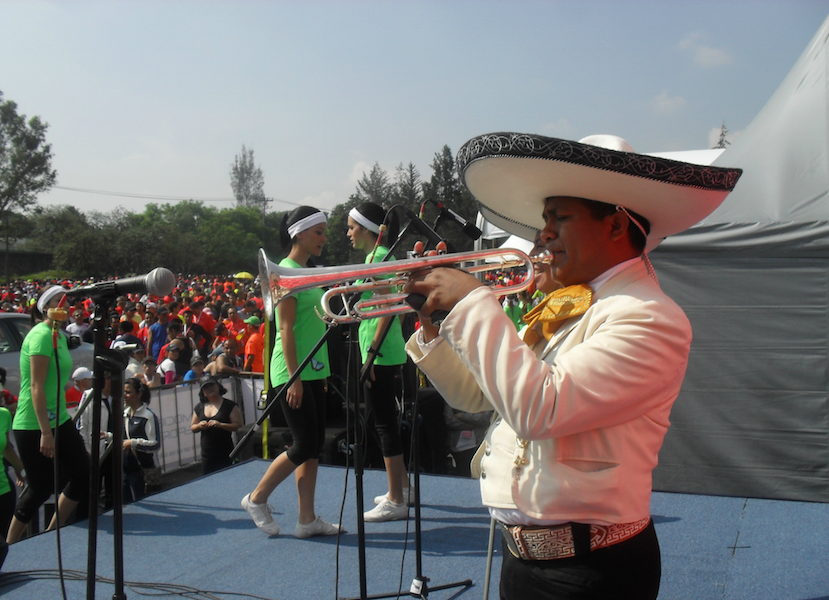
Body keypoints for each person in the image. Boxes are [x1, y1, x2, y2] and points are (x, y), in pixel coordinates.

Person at [403, 132, 742, 599]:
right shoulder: (569, 306)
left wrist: (473, 303)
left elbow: (539, 410)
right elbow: (477, 396)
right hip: (523, 560)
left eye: (559, 218)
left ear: (617, 225)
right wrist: (434, 331)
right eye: (545, 220)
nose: (542, 235)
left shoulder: (649, 316)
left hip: (591, 571)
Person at [241, 205, 342, 539]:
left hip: (312, 370)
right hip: (291, 372)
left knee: (312, 447)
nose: (324, 239)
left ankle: (307, 519)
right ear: (299, 234)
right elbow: (285, 329)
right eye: (319, 232)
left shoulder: (307, 271)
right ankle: (257, 498)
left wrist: (320, 373)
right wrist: (296, 377)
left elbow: (312, 327)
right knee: (303, 444)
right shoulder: (285, 273)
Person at [7, 285, 91, 544]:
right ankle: (9, 544)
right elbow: (36, 386)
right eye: (58, 301)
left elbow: (59, 379)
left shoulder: (61, 336)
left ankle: (52, 532)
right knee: (39, 487)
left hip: (59, 419)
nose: (65, 306)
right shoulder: (41, 336)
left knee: (82, 473)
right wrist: (45, 432)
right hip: (34, 423)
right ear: (45, 308)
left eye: (66, 302)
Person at [345, 202, 412, 522]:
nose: (348, 233)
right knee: (384, 420)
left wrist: (371, 354)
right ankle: (402, 488)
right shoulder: (379, 257)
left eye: (352, 227)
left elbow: (390, 307)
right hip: (382, 349)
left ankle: (396, 499)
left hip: (380, 352)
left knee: (384, 423)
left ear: (370, 230)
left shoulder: (379, 258)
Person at [190, 374, 242, 474]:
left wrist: (221, 425)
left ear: (218, 386)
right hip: (207, 455)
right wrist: (200, 426)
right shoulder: (199, 407)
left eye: (211, 385)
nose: (209, 389)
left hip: (226, 453)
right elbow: (193, 427)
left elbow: (239, 426)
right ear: (203, 392)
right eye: (205, 387)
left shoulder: (230, 405)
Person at [122, 377, 160, 503]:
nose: (125, 395)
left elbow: (155, 444)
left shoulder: (148, 416)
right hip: (125, 469)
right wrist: (107, 435)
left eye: (128, 392)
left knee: (144, 502)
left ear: (139, 394)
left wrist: (133, 443)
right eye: (124, 392)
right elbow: (124, 438)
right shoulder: (125, 413)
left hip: (141, 471)